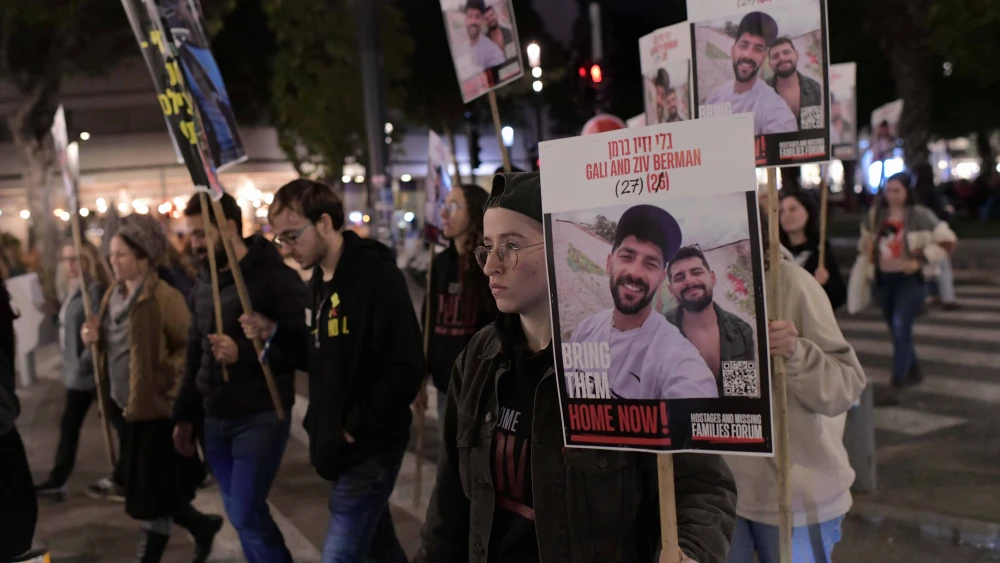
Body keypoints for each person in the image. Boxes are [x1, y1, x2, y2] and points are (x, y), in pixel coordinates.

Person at [416, 173, 737, 563]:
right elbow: (449, 506)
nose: (491, 267)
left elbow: (703, 487)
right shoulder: (479, 358)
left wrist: (692, 552)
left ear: (557, 248)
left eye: (511, 246)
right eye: (487, 248)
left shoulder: (663, 363)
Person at [241, 179, 423, 562]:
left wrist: (355, 426)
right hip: (337, 446)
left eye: (293, 236)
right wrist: (272, 333)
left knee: (340, 554)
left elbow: (406, 366)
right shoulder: (319, 283)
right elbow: (319, 357)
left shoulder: (376, 276)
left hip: (369, 447)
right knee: (379, 549)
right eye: (279, 239)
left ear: (325, 222)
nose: (286, 249)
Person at [725, 204, 866, 563]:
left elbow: (846, 384)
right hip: (719, 495)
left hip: (796, 498)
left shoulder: (792, 283)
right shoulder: (684, 290)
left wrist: (795, 352)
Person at [172, 192, 308, 562]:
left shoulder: (274, 277)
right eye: (191, 235)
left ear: (229, 228)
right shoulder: (203, 283)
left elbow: (303, 348)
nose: (194, 244)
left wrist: (245, 352)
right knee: (240, 515)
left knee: (246, 511)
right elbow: (195, 353)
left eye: (202, 234)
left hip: (261, 413)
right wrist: (184, 416)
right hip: (214, 418)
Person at [80, 214, 222, 563]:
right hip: (124, 407)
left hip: (156, 410)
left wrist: (164, 377)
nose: (113, 261)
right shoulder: (112, 295)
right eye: (111, 254)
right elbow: (112, 346)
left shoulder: (163, 296)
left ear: (143, 258)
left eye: (122, 254)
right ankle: (203, 526)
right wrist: (92, 339)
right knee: (155, 491)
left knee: (152, 497)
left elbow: (189, 347)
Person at [570, 205, 718, 400]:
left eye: (650, 264)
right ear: (609, 263)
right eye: (627, 257)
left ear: (661, 278)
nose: (635, 272)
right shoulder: (585, 330)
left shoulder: (675, 355)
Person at [859, 172, 956, 403]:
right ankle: (913, 370)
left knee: (901, 326)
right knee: (897, 330)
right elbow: (864, 245)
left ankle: (897, 382)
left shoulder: (920, 214)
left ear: (906, 192)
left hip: (910, 280)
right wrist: (868, 249)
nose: (891, 195)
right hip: (884, 279)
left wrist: (920, 259)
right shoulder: (876, 215)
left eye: (896, 190)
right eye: (888, 190)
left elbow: (948, 241)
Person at [34, 240, 112, 499]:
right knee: (70, 426)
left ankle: (127, 474)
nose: (70, 265)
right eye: (66, 259)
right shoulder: (72, 290)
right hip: (76, 374)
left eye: (76, 259)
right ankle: (59, 478)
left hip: (88, 374)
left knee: (117, 422)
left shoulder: (93, 291)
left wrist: (84, 360)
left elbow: (97, 331)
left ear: (88, 261)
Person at [416, 184, 495, 425]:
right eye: (444, 205)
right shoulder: (440, 264)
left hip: (485, 386)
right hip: (446, 386)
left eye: (453, 206)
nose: (443, 213)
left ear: (474, 212)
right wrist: (421, 377)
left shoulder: (490, 263)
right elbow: (428, 323)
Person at [664, 246, 756, 397]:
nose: (689, 281)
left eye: (696, 272)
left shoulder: (740, 332)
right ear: (671, 290)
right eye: (680, 277)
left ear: (712, 278)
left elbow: (740, 396)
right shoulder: (659, 333)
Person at [704, 12, 797, 135]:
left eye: (758, 49)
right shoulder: (716, 96)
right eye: (743, 45)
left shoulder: (774, 108)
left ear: (764, 57)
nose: (748, 55)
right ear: (733, 50)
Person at [779, 192, 847, 310]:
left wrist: (825, 284)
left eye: (792, 209)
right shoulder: (777, 252)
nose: (786, 215)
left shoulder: (820, 251)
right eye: (781, 211)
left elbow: (839, 298)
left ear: (808, 212)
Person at [765, 37, 822, 130]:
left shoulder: (813, 87)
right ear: (770, 64)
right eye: (775, 56)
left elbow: (811, 129)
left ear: (797, 55)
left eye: (786, 52)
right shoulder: (763, 91)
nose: (782, 58)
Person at [464, 0, 505, 74]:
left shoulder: (494, 51)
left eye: (477, 17)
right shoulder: (461, 51)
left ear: (481, 21)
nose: (473, 21)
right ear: (465, 20)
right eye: (470, 16)